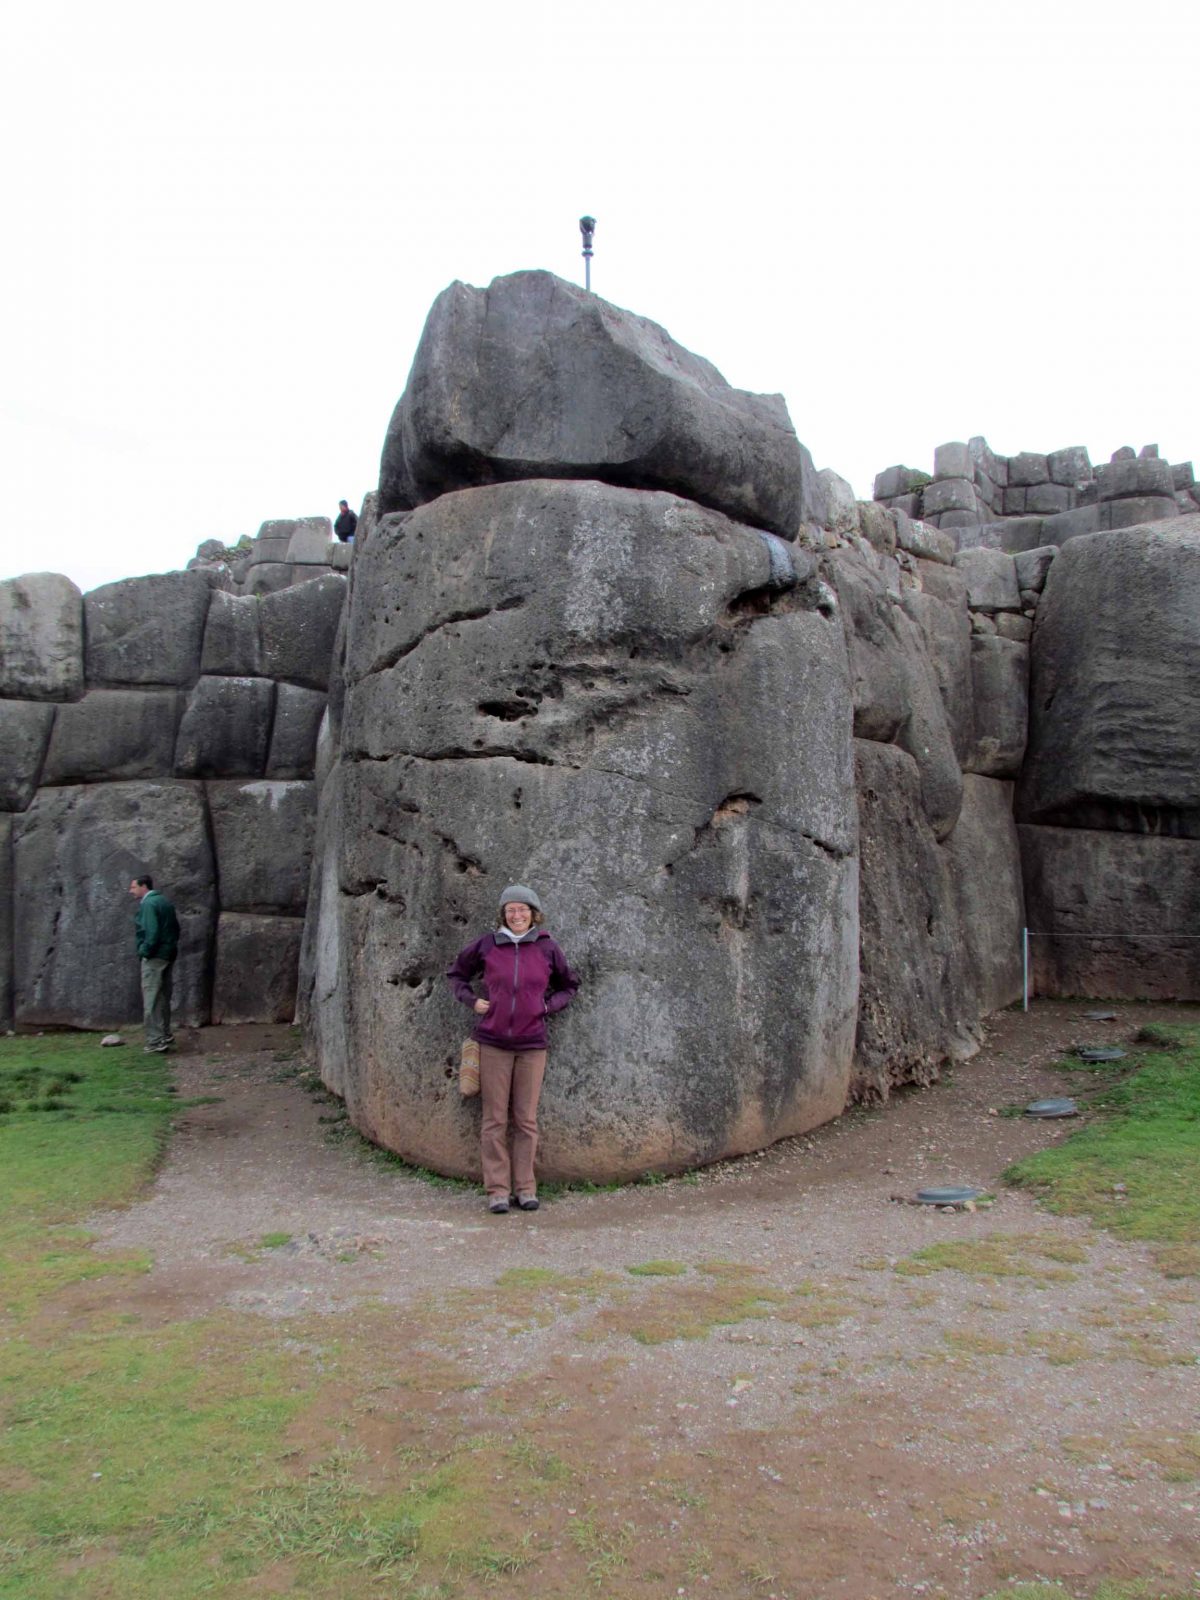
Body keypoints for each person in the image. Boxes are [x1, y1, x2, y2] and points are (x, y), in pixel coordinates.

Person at [446, 885, 580, 1214]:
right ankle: (497, 1190)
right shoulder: (488, 945)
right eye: (510, 910)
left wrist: (547, 1007)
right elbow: (456, 974)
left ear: (533, 914)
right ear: (503, 914)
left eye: (522, 910)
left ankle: (525, 1188)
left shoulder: (546, 947)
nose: (516, 915)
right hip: (492, 1043)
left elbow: (569, 985)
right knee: (493, 1120)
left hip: (533, 1044)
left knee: (525, 1121)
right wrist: (471, 1000)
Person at [128, 875, 180, 1054]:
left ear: (144, 887)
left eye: (133, 887)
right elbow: (175, 928)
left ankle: (155, 1040)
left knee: (151, 998)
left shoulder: (148, 904)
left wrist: (144, 951)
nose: (131, 891)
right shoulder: (164, 901)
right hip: (167, 954)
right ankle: (165, 1033)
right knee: (163, 996)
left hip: (154, 957)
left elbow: (151, 931)